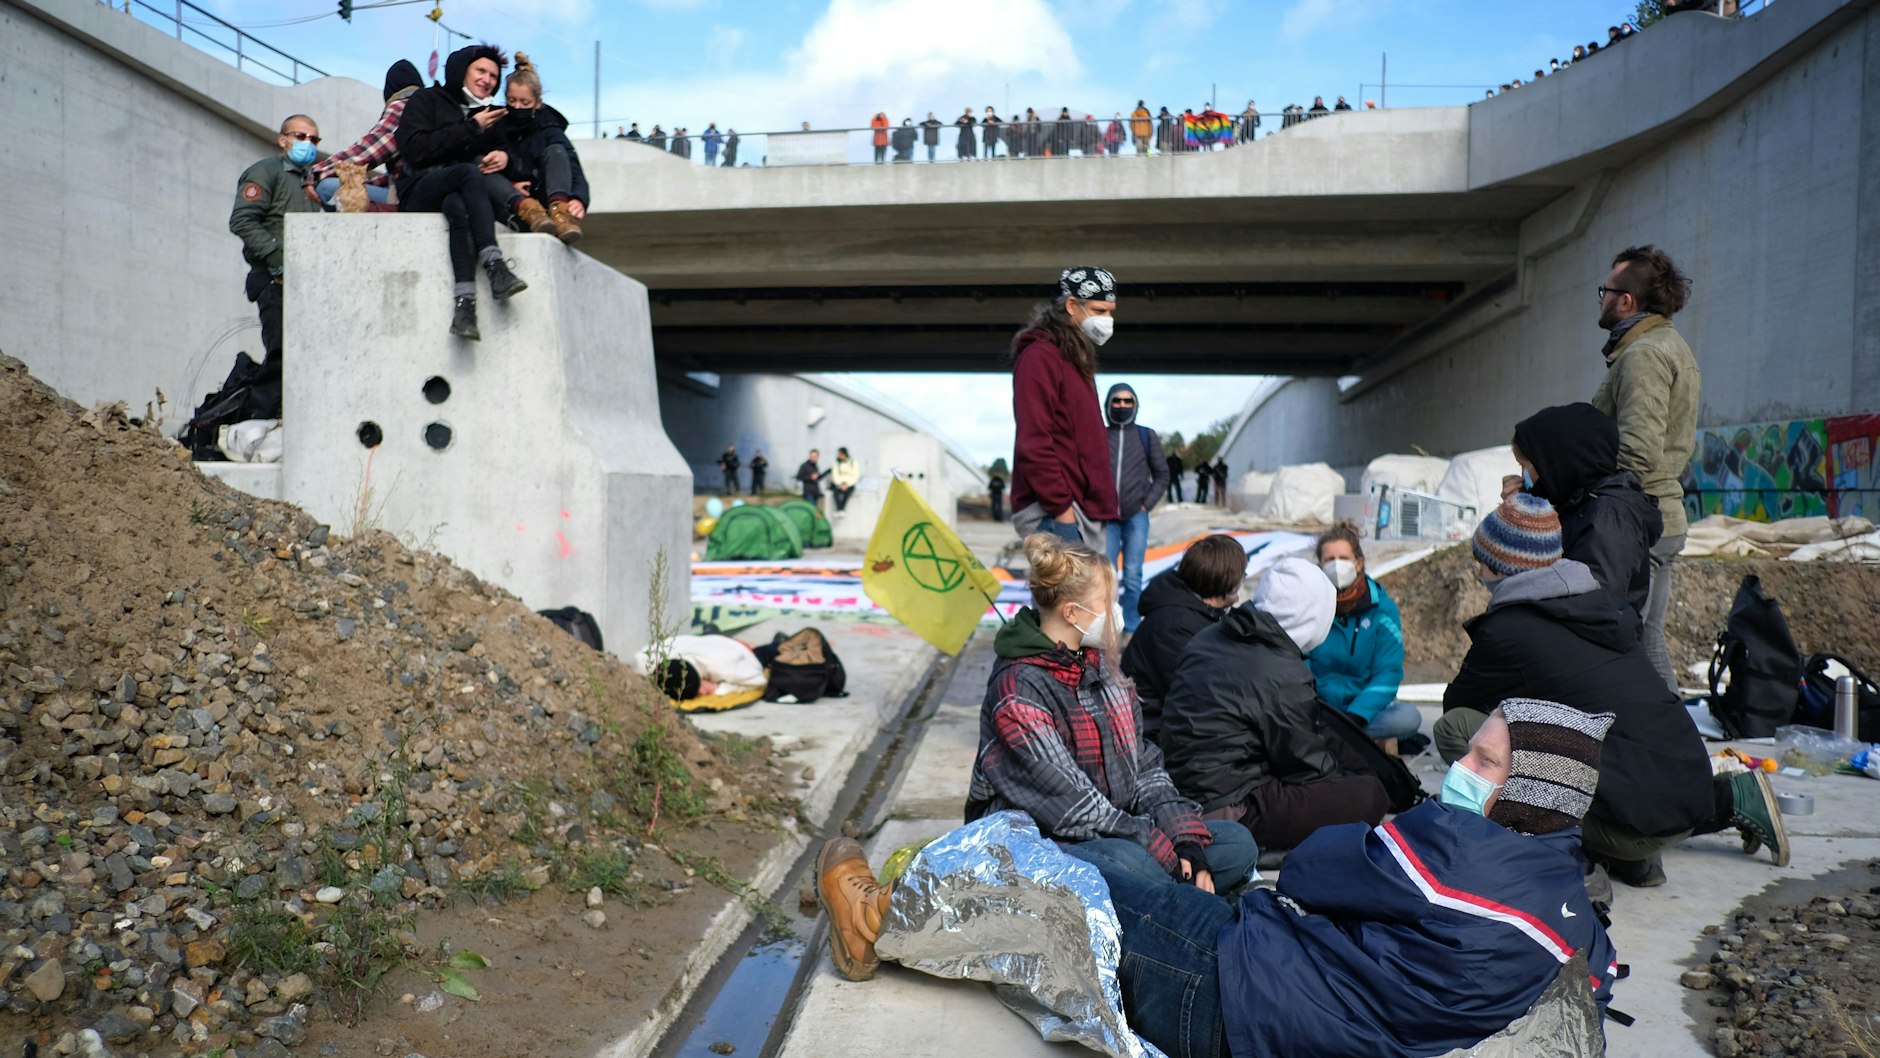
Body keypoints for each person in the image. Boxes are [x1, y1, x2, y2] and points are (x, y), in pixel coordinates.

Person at [818, 700, 1623, 1058]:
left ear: (1532, 791)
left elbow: (1308, 868)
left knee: (1064, 885)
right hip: (1294, 996)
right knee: (1135, 885)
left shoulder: (1457, 852)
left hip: (1241, 995)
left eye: (1485, 761)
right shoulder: (1566, 900)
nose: (1460, 771)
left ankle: (877, 919)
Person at [1435, 493, 1791, 887]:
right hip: (1692, 795)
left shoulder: (1509, 630)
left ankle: (1572, 861)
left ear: (1497, 566)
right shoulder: (1599, 605)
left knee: (1459, 729)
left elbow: (1460, 704)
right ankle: (1730, 800)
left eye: (1480, 560)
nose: (1478, 570)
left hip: (1637, 823)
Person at [964, 533, 1259, 895]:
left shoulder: (1100, 666)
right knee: (1133, 862)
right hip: (1039, 843)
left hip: (1117, 830)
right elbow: (1074, 809)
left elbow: (1145, 768)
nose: (1116, 613)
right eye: (1108, 601)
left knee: (1235, 843)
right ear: (1072, 613)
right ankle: (1177, 897)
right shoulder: (1018, 690)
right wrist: (1161, 849)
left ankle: (1171, 897)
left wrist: (1186, 841)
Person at [1161, 557, 1390, 850]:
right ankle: (1257, 847)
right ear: (1313, 616)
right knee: (1370, 795)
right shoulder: (1284, 673)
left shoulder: (1210, 636)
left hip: (1179, 787)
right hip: (1227, 804)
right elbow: (1308, 768)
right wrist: (1346, 779)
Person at [1591, 245, 1699, 695]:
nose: (1600, 299)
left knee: (1627, 641)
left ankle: (1669, 747)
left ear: (1627, 301)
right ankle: (1669, 749)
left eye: (1606, 290)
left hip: (1639, 522)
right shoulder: (1664, 345)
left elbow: (1636, 450)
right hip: (1657, 515)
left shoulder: (1645, 356)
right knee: (1643, 638)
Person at [394, 43, 530, 342]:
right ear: (461, 71)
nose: (488, 80)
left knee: (458, 206)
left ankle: (465, 306)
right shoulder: (426, 99)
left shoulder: (489, 114)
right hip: (420, 189)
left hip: (456, 194)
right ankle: (495, 265)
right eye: (481, 71)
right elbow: (414, 150)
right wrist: (471, 128)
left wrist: (504, 158)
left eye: (494, 76)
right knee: (466, 174)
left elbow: (508, 153)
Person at [1506, 403, 1661, 613]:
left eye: (1526, 466)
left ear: (1556, 464)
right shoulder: (1575, 499)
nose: (1522, 474)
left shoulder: (1610, 517)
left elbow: (1592, 604)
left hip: (1592, 639)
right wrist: (1521, 508)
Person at [1008, 267, 1121, 551]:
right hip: (1057, 514)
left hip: (1083, 513)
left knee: (1090, 597)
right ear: (1072, 305)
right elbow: (1033, 442)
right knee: (1069, 597)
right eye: (1099, 310)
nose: (1108, 320)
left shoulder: (1074, 357)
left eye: (1111, 312)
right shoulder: (1040, 358)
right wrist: (1062, 512)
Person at [1121, 534, 1243, 742]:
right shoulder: (1174, 626)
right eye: (1241, 576)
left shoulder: (1195, 611)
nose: (1242, 581)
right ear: (1227, 582)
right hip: (1150, 732)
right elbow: (1197, 698)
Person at [1306, 521, 1418, 743]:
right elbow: (1298, 661)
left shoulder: (1382, 609)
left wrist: (1356, 716)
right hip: (1318, 708)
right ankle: (1333, 735)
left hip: (1362, 713)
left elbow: (1388, 672)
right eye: (1330, 559)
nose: (1337, 566)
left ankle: (1331, 736)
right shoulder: (1308, 606)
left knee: (1408, 718)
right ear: (1319, 564)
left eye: (1344, 559)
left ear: (1358, 563)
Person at [229, 114, 322, 379]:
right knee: (281, 355)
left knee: (305, 358)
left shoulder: (312, 182)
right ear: (283, 140)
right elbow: (242, 220)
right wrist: (276, 260)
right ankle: (264, 413)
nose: (308, 143)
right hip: (273, 281)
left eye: (314, 139)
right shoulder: (265, 172)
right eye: (300, 136)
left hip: (302, 282)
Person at [309, 60, 422, 210]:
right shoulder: (432, 109)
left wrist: (317, 173)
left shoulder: (404, 106)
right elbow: (400, 175)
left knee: (327, 188)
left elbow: (367, 151)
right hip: (425, 190)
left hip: (410, 197)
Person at [1103, 384, 1170, 634]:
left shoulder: (1146, 435)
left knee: (1132, 575)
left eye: (1127, 401)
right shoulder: (1099, 435)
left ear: (1135, 405)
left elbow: (1162, 475)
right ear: (1108, 404)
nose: (1121, 406)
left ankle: (1130, 628)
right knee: (1106, 577)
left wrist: (1146, 504)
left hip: (1136, 517)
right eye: (1116, 401)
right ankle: (1107, 629)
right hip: (1106, 519)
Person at [500, 53, 588, 244]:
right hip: (511, 202)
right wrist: (510, 186)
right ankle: (531, 211)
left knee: (556, 151)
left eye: (525, 103)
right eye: (512, 100)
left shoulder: (549, 130)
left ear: (537, 103)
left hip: (543, 195)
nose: (517, 107)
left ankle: (560, 214)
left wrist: (579, 198)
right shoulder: (497, 126)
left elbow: (572, 166)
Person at [829, 447, 860, 512]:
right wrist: (840, 484)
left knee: (847, 493)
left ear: (844, 454)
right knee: (836, 493)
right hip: (839, 484)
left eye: (840, 454)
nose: (838, 456)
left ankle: (842, 509)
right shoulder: (837, 463)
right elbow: (835, 475)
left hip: (849, 484)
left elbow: (855, 475)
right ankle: (839, 509)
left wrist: (847, 484)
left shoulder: (853, 462)